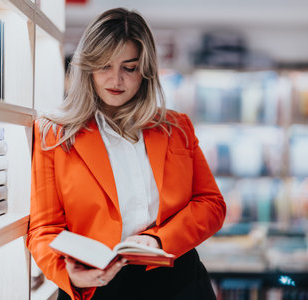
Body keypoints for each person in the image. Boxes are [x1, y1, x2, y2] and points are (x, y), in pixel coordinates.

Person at [26, 7, 226, 300]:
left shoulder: (176, 127)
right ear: (87, 67)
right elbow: (44, 230)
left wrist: (156, 241)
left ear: (144, 71)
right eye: (104, 66)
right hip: (98, 286)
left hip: (178, 280)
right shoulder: (53, 134)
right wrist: (68, 274)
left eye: (128, 68)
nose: (116, 80)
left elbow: (211, 205)